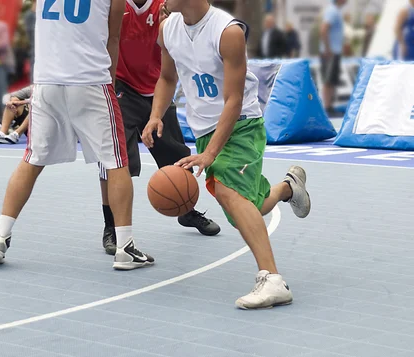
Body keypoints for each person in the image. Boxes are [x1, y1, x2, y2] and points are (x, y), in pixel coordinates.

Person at [143, 0, 311, 309]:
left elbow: (234, 99)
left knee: (227, 191)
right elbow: (167, 78)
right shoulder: (167, 30)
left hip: (241, 125)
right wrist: (155, 115)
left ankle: (273, 280)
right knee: (247, 208)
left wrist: (209, 156)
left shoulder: (227, 32)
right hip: (205, 130)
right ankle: (288, 187)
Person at [0, 0, 154, 270]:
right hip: (89, 79)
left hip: (47, 81)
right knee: (116, 161)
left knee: (32, 159)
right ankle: (125, 246)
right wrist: (106, 82)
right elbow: (114, 38)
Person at [97, 0, 220, 256]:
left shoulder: (166, 6)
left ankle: (185, 210)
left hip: (157, 89)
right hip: (121, 88)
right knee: (115, 163)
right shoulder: (115, 6)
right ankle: (111, 227)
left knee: (178, 157)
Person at [319, 0, 346, 116]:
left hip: (335, 51)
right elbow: (324, 29)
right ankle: (326, 106)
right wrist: (328, 48)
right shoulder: (332, 11)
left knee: (332, 80)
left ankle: (329, 106)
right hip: (330, 52)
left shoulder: (336, 11)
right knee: (328, 79)